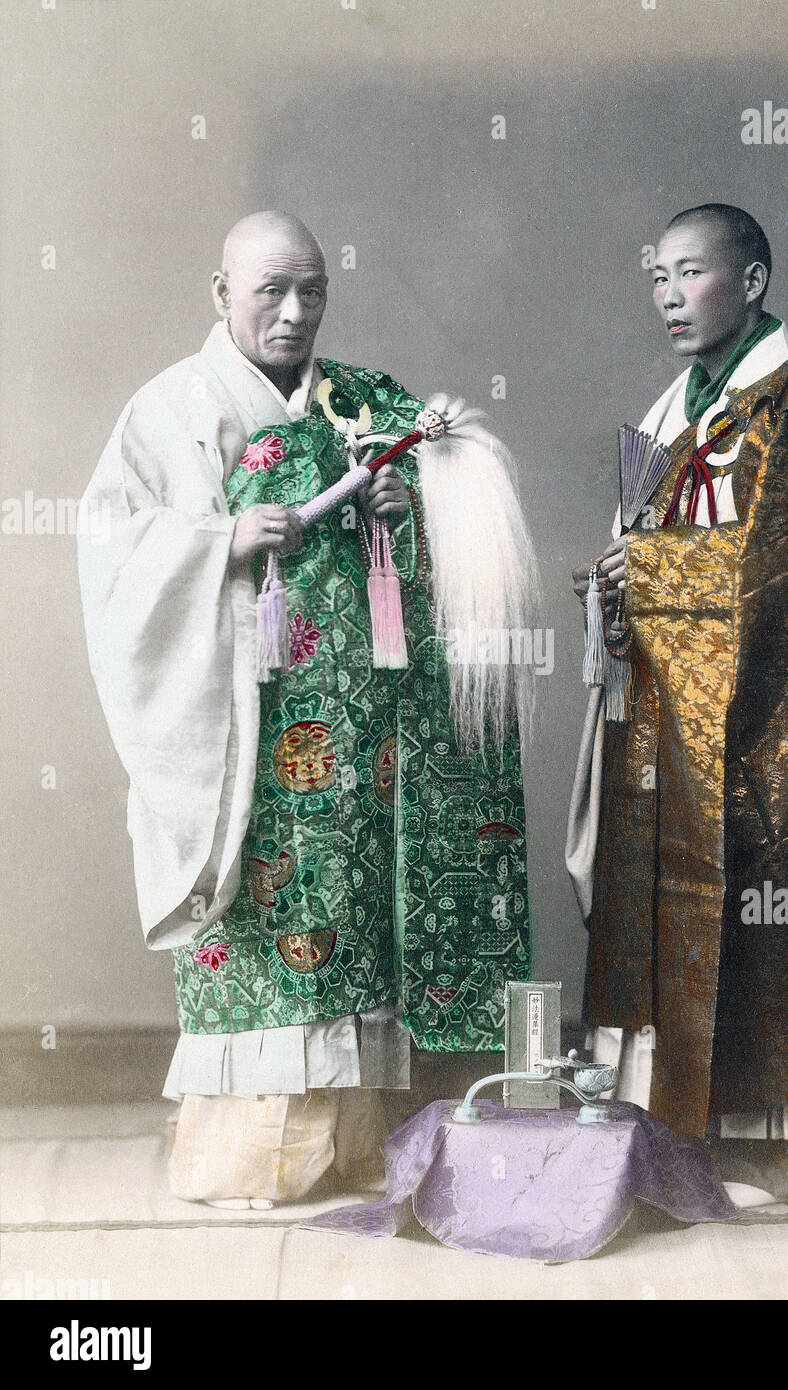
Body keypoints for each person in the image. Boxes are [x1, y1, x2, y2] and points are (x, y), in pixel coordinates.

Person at [80, 212, 537, 1208]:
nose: (294, 312)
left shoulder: (361, 403)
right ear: (220, 292)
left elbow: (455, 483)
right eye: (269, 291)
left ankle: (350, 1145)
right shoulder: (169, 413)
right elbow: (115, 553)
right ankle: (249, 1154)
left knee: (351, 919)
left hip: (358, 735)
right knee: (264, 921)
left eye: (313, 291)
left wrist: (406, 507)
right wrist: (221, 539)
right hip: (246, 728)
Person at [566, 204, 788, 1203]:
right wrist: (612, 590)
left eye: (691, 273)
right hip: (672, 713)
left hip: (779, 710)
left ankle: (779, 1139)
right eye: (657, 278)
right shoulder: (666, 413)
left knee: (767, 903)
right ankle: (684, 1123)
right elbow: (644, 556)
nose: (669, 296)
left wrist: (647, 567)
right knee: (672, 897)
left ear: (753, 281)